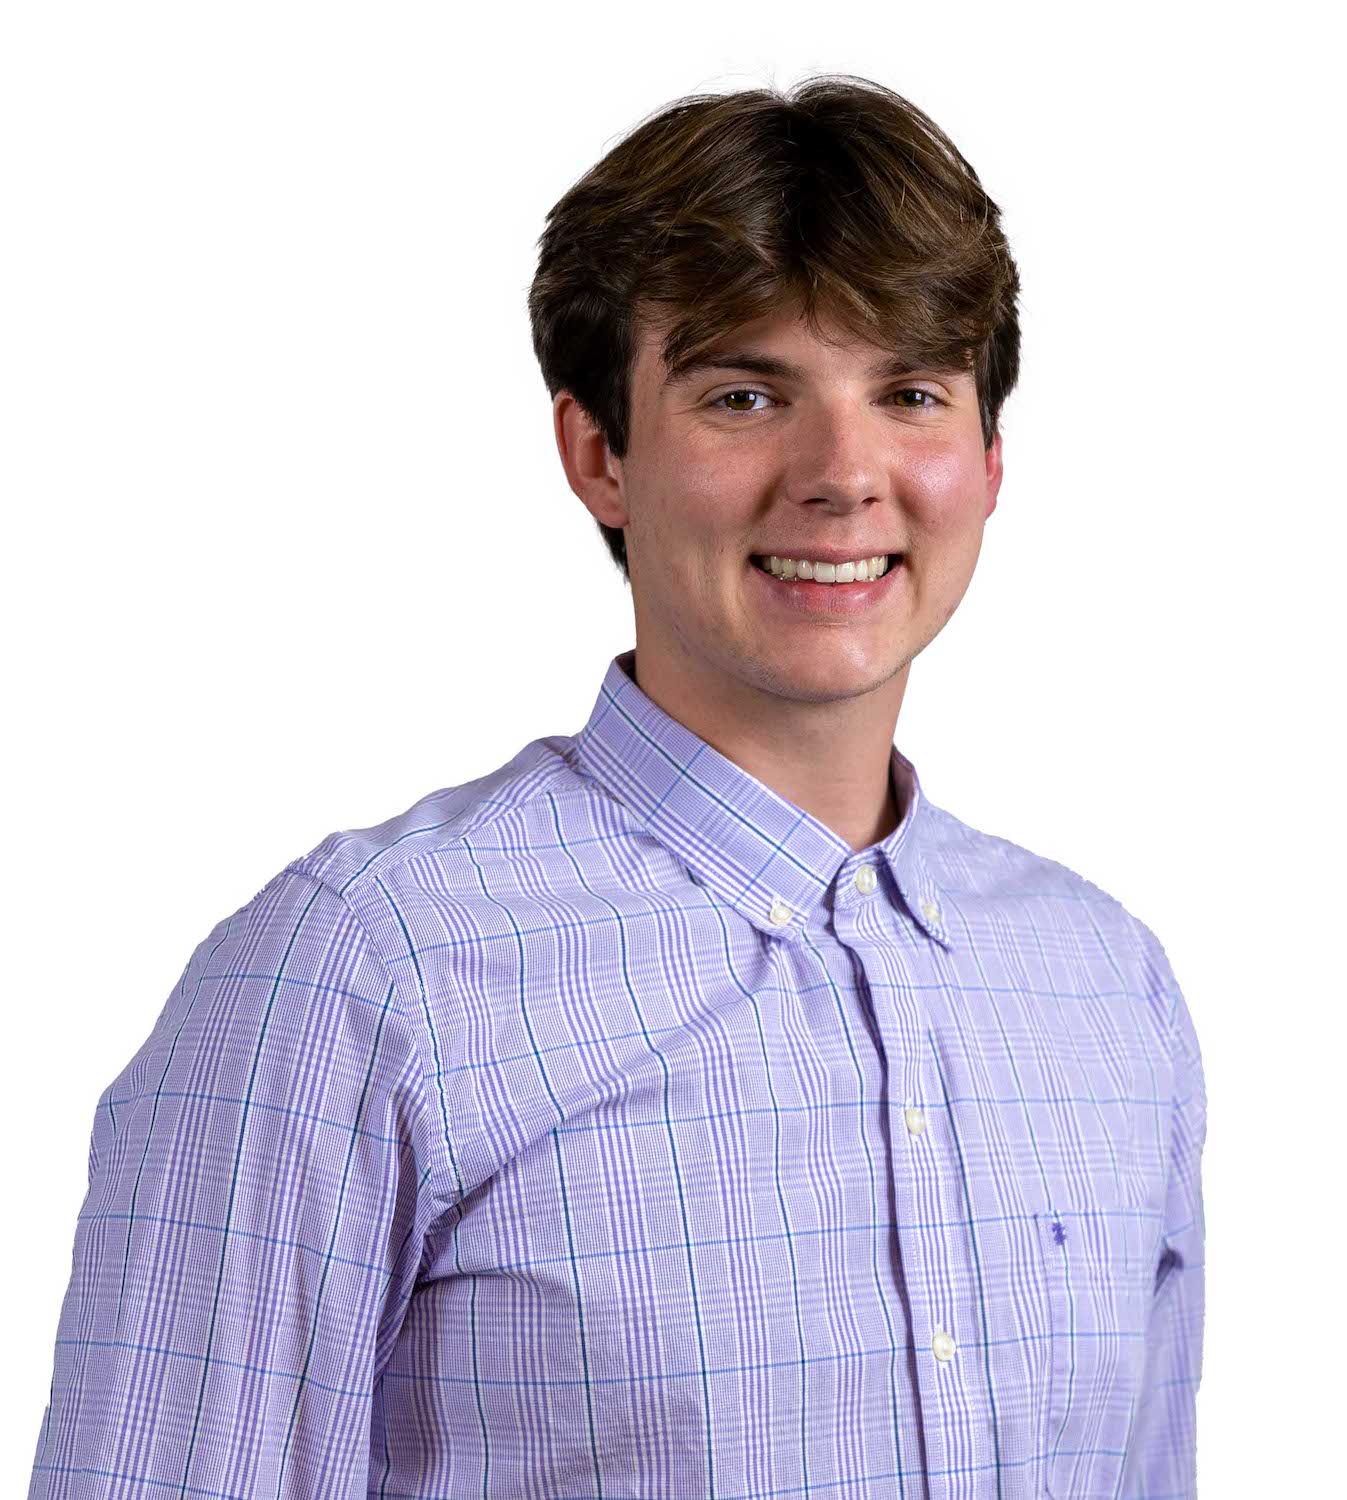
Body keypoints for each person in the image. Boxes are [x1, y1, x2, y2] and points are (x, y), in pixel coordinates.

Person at [28, 74, 1206, 1500]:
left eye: (910, 393)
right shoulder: (356, 979)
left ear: (990, 460)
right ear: (600, 454)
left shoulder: (1106, 987)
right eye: (745, 395)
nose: (844, 475)